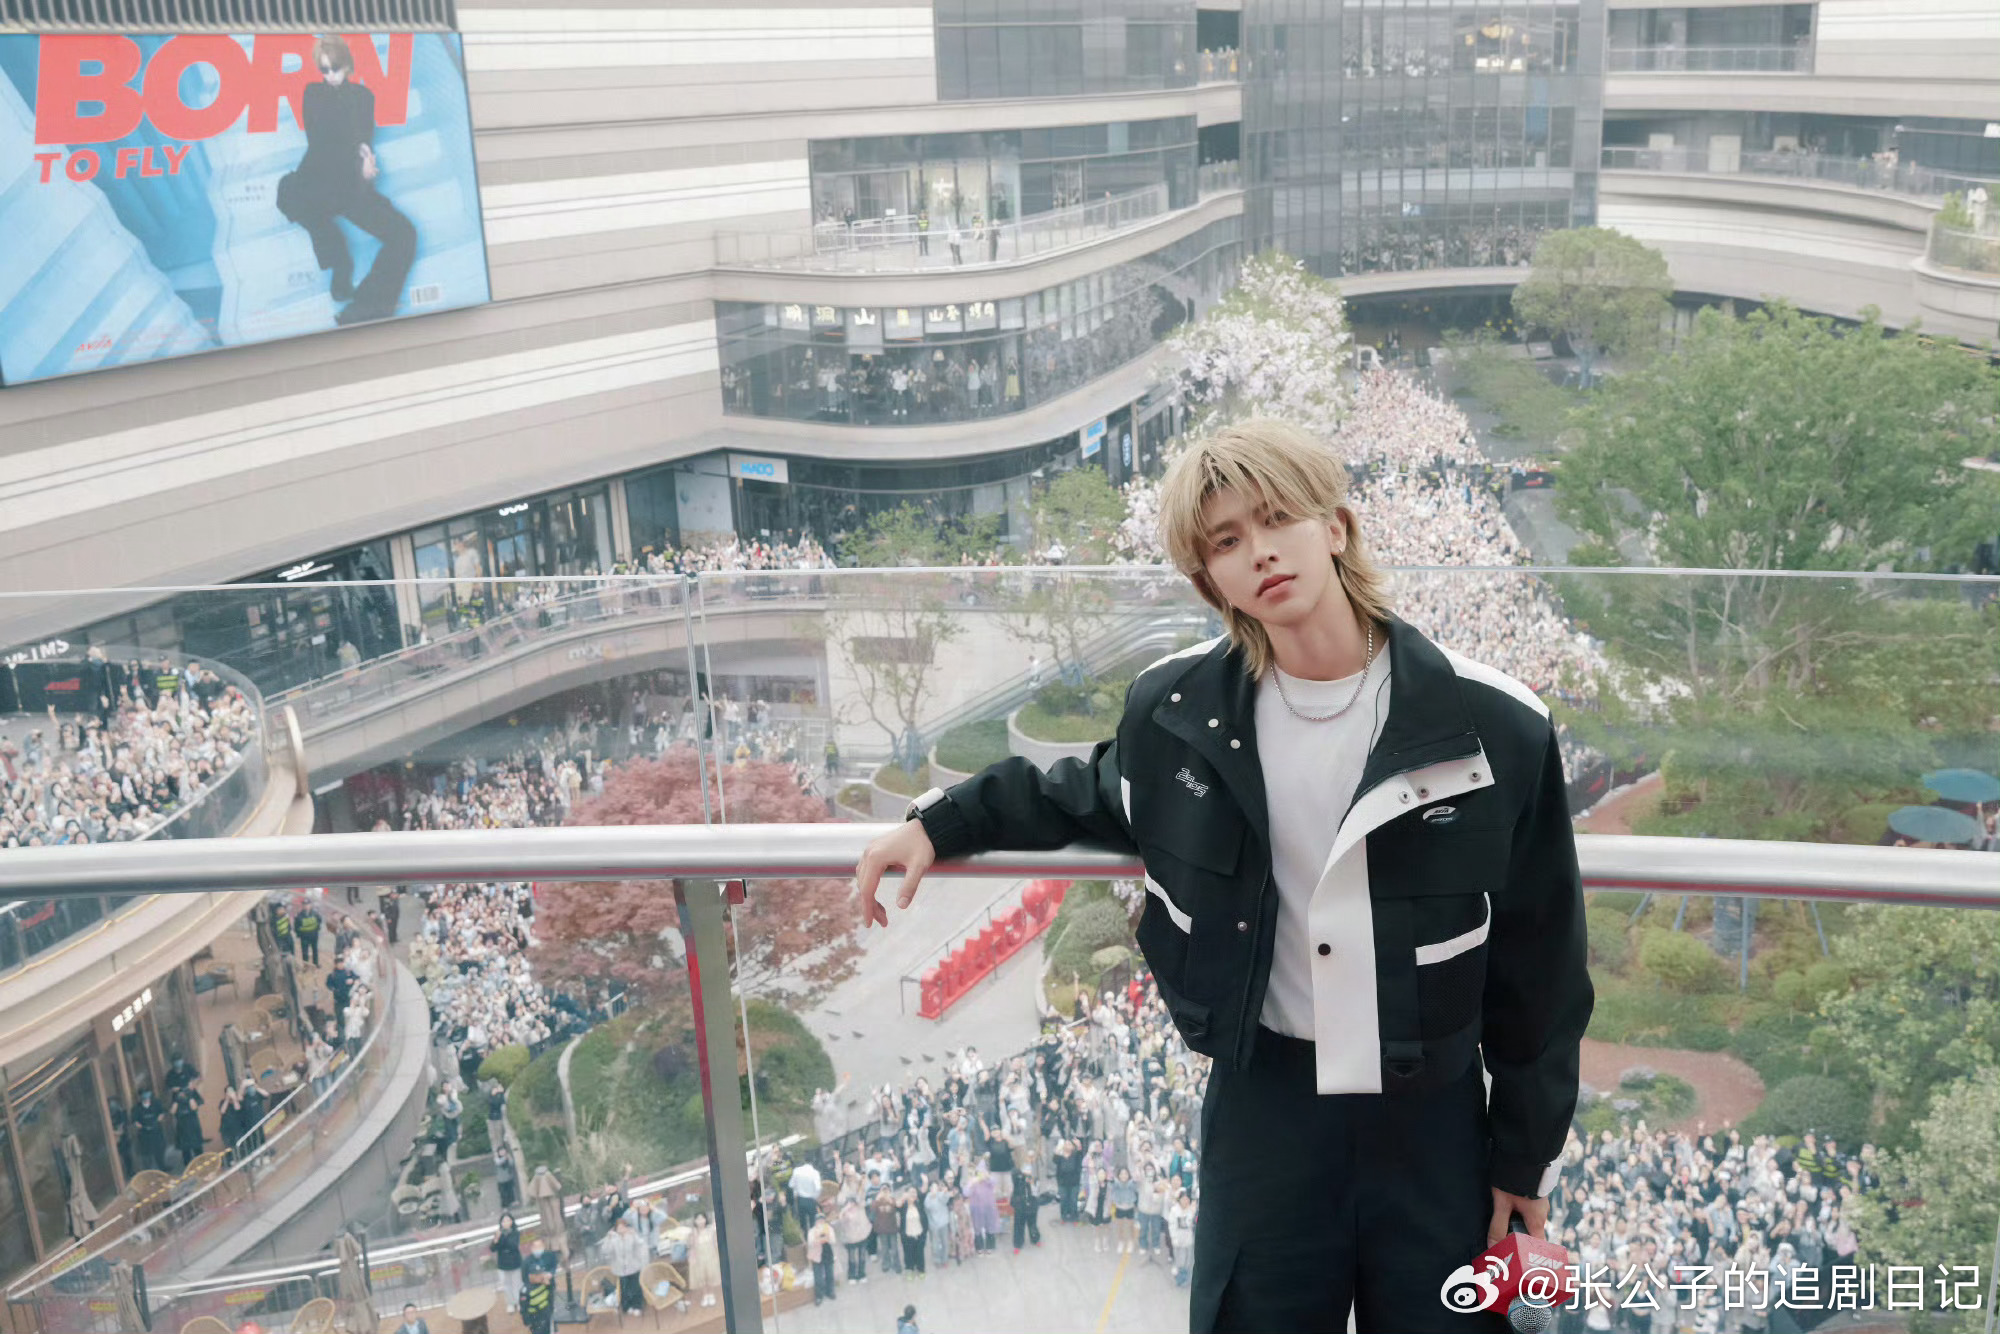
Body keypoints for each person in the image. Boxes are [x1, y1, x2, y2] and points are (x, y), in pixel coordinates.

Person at [858, 418, 1593, 1333]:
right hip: (1265, 1102)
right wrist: (940, 823)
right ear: (1211, 579)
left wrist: (1523, 1158)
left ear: (1336, 527)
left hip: (1432, 1112)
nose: (1260, 553)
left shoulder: (1491, 723)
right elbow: (1087, 791)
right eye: (1226, 541)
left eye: (1277, 518)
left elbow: (1541, 961)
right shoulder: (1181, 713)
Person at [275, 35, 417, 325]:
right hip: (319, 179)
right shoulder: (313, 93)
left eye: (335, 68)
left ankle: (365, 307)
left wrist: (366, 155)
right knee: (300, 204)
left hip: (349, 185)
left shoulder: (364, 97)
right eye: (324, 69)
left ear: (348, 66)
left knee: (404, 234)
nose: (330, 76)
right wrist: (359, 156)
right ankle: (341, 265)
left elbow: (363, 136)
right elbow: (320, 141)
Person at [606, 1213, 648, 1316]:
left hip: (633, 1266)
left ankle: (637, 1306)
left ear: (626, 1227)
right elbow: (606, 1251)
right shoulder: (613, 1238)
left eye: (623, 1227)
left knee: (636, 1287)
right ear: (615, 1229)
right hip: (620, 1269)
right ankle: (627, 1307)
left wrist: (634, 1234)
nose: (621, 1229)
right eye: (619, 1227)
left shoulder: (631, 1235)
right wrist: (608, 1238)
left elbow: (641, 1244)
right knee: (624, 1289)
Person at [490, 1213, 524, 1312]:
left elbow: (513, 1245)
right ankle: (510, 1303)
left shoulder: (515, 1232)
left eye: (508, 1220)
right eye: (503, 1221)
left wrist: (502, 1237)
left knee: (517, 1284)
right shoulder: (498, 1234)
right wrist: (496, 1240)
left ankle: (519, 1302)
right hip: (503, 1264)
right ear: (501, 1223)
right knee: (506, 1285)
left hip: (515, 1262)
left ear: (511, 1222)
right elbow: (493, 1248)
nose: (505, 1223)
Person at [807, 1211, 838, 1304]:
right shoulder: (812, 1231)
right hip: (816, 1255)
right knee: (818, 1277)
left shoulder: (829, 1229)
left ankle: (830, 1291)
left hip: (827, 1253)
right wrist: (817, 1239)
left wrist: (827, 1238)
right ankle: (819, 1295)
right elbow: (810, 1243)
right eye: (818, 1220)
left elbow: (833, 1241)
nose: (820, 1222)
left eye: (822, 1220)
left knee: (830, 1274)